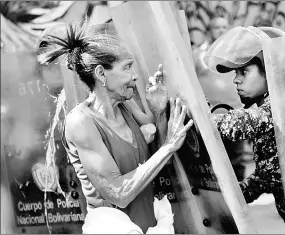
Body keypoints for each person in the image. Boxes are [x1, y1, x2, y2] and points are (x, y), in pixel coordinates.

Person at [37, 21, 193, 233]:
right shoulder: (81, 123)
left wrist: (158, 113)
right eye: (127, 67)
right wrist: (169, 146)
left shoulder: (125, 104)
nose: (135, 76)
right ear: (101, 74)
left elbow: (154, 163)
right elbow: (119, 193)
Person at [204, 25, 285, 233]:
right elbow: (265, 176)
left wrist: (197, 114)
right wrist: (229, 197)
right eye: (236, 72)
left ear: (270, 68)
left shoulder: (283, 108)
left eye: (244, 71)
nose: (236, 79)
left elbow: (238, 124)